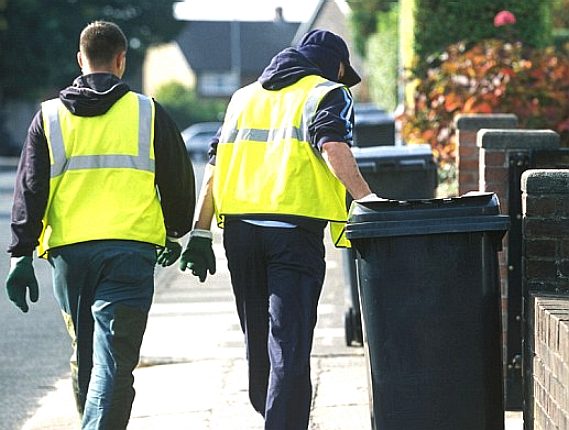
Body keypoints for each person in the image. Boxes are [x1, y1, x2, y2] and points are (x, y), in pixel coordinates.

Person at [179, 29, 376, 429]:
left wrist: (200, 231)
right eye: (342, 72)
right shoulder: (327, 93)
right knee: (290, 340)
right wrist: (369, 200)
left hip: (241, 235)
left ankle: (270, 412)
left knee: (258, 337)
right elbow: (333, 145)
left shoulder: (243, 97)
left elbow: (215, 166)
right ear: (335, 65)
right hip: (293, 235)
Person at [4, 21, 195, 429]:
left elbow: (30, 188)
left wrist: (21, 253)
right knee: (115, 360)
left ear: (80, 59)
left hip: (70, 257)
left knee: (89, 355)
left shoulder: (49, 116)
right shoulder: (148, 111)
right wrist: (178, 233)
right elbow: (178, 179)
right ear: (121, 61)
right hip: (130, 252)